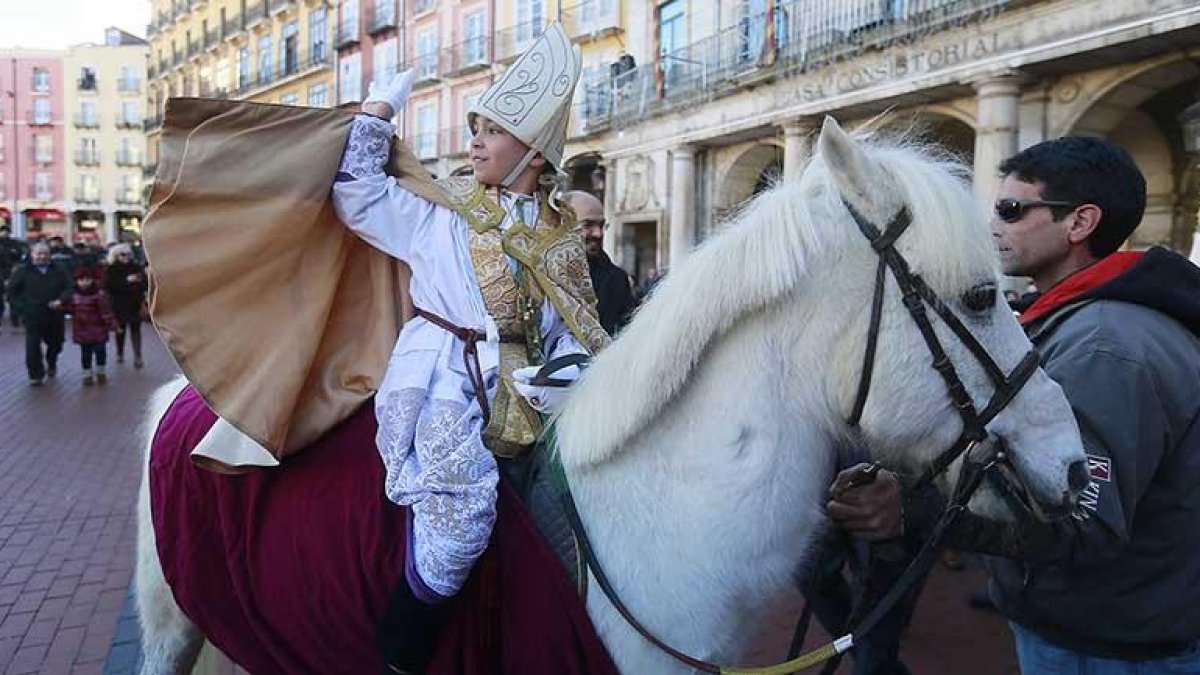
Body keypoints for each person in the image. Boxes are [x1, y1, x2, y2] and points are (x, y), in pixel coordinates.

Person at [827, 136, 1200, 674]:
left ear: (1080, 223)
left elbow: (1081, 522)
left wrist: (912, 509)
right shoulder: (1079, 319)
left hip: (1102, 644)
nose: (992, 226)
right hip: (1098, 626)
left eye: (1011, 210)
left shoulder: (1105, 347)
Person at [331, 23, 608, 673]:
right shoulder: (443, 209)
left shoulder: (560, 236)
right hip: (439, 381)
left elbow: (572, 328)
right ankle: (400, 655)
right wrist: (375, 113)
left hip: (526, 393)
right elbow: (358, 196)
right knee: (461, 526)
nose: (474, 140)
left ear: (534, 153)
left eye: (491, 131)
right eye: (475, 127)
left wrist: (565, 375)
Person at [563, 190, 636, 335]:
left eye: (601, 225)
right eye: (587, 225)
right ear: (562, 224)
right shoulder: (539, 273)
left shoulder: (617, 279)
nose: (598, 233)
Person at [7, 242, 72, 385]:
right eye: (39, 254)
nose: (42, 257)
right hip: (32, 315)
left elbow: (68, 287)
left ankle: (51, 361)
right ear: (32, 254)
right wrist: (22, 308)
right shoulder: (22, 271)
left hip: (54, 314)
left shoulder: (59, 269)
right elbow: (11, 293)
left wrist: (61, 300)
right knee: (32, 347)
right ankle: (36, 375)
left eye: (45, 254)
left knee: (56, 343)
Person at [67, 268, 117, 385]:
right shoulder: (73, 296)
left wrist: (111, 324)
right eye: (81, 280)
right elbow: (69, 309)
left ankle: (101, 371)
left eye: (87, 279)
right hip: (81, 329)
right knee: (85, 353)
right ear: (77, 281)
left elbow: (106, 312)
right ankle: (87, 374)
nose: (85, 282)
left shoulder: (99, 295)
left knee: (100, 351)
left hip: (98, 328)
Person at [105, 243, 147, 367]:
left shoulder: (136, 267)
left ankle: (138, 356)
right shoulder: (112, 269)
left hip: (135, 302)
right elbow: (110, 286)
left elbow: (144, 284)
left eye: (128, 254)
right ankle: (120, 353)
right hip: (119, 303)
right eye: (123, 255)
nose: (126, 257)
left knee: (136, 329)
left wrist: (139, 282)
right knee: (120, 329)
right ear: (116, 256)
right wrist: (126, 281)